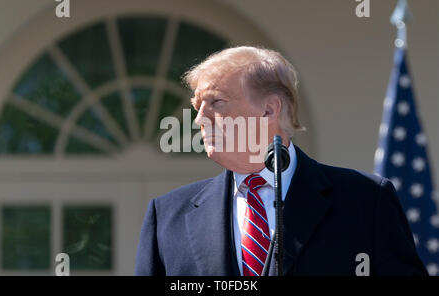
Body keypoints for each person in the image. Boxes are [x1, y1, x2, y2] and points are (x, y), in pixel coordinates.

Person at [134, 46, 427, 276]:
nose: (199, 118)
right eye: (198, 107)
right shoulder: (168, 215)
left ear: (269, 110)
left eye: (216, 102)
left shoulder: (366, 200)